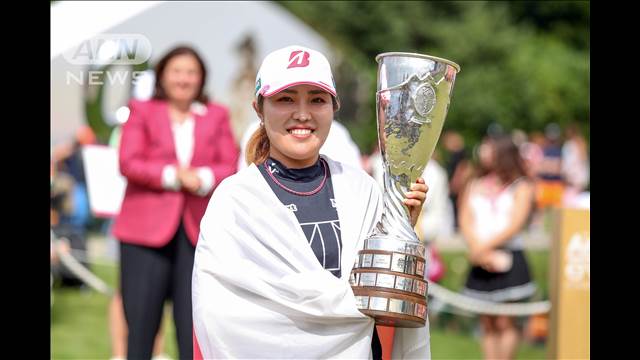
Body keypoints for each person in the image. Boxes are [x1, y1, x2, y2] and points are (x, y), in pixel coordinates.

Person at [192, 45, 431, 359]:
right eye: (285, 99)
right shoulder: (235, 200)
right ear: (259, 109)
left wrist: (401, 231)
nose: (302, 113)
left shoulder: (361, 188)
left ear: (334, 107)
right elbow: (221, 314)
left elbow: (383, 293)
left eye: (317, 100)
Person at [112, 45, 239, 360]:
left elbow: (229, 163)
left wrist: (202, 178)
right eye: (177, 71)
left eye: (191, 72)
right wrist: (173, 176)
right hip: (143, 234)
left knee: (194, 328)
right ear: (163, 75)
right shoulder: (141, 110)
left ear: (201, 78)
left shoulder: (217, 114)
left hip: (197, 234)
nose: (184, 78)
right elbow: (128, 161)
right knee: (140, 329)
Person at [459, 135, 537, 360]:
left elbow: (516, 223)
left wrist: (484, 247)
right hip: (481, 257)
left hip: (508, 256)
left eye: (489, 148)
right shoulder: (473, 182)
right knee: (487, 321)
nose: (483, 152)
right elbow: (465, 218)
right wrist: (478, 249)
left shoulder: (520, 186)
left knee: (505, 320)